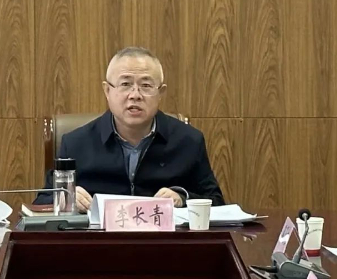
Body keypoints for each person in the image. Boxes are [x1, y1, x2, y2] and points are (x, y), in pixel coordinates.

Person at [34, 47, 225, 212]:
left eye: (146, 85)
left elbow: (217, 203)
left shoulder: (188, 141)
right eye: (125, 84)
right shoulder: (76, 143)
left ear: (160, 93)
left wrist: (182, 197)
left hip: (164, 241)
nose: (135, 95)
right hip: (98, 241)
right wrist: (65, 198)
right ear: (107, 91)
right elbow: (40, 202)